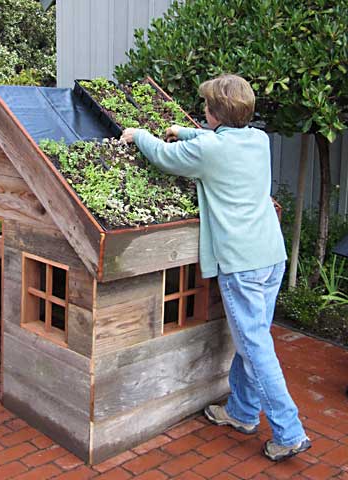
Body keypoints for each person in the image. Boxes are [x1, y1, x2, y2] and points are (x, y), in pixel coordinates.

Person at [120, 74, 310, 462]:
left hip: (241, 263)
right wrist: (184, 131)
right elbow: (213, 141)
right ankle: (241, 412)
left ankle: (289, 432)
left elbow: (162, 156)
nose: (202, 113)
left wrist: (138, 134)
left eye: (205, 107)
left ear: (214, 114)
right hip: (271, 255)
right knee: (252, 338)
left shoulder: (210, 152)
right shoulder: (258, 140)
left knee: (256, 347)